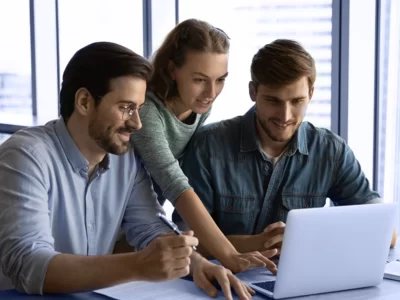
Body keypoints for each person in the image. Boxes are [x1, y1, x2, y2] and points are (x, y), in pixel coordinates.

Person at [0, 41, 259, 299]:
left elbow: (151, 230)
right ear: (84, 101)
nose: (136, 123)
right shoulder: (25, 157)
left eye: (139, 109)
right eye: (125, 108)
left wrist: (199, 264)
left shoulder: (125, 160)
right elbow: (29, 265)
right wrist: (137, 265)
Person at [173, 39, 397, 257]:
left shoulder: (331, 152)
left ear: (310, 94)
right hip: (224, 286)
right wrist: (259, 244)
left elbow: (388, 234)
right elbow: (186, 241)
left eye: (297, 101)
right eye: (273, 101)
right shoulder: (207, 147)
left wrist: (310, 238)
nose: (285, 116)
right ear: (253, 92)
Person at [130, 18, 276, 275]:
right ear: (173, 70)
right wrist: (229, 255)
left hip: (145, 227)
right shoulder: (148, 111)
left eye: (220, 79)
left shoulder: (199, 107)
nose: (211, 92)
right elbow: (175, 183)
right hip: (118, 226)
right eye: (199, 79)